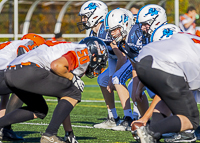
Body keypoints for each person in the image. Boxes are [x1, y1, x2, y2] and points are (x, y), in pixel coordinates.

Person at [0, 37, 108, 143]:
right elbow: (56, 65)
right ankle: (49, 135)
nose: (98, 64)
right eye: (99, 59)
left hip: (10, 72)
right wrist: (72, 78)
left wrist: (68, 132)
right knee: (74, 91)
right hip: (28, 70)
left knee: (40, 109)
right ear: (93, 54)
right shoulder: (82, 51)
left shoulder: (65, 48)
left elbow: (63, 98)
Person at [78, 1, 140, 130]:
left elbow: (121, 57)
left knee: (118, 79)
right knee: (102, 79)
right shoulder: (94, 33)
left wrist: (113, 77)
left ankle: (130, 117)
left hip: (130, 58)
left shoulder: (107, 31)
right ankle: (113, 117)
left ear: (95, 16)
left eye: (85, 16)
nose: (83, 20)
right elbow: (112, 57)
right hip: (120, 59)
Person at [105, 4, 167, 131]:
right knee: (134, 88)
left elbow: (150, 63)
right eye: (110, 30)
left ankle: (160, 120)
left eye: (115, 29)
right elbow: (135, 64)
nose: (112, 34)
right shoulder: (125, 40)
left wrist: (140, 84)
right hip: (146, 68)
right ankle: (148, 122)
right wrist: (137, 85)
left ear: (125, 24)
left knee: (154, 90)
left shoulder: (137, 36)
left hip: (162, 68)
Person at [133, 27, 200, 143]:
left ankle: (157, 132)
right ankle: (150, 131)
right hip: (166, 65)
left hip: (142, 61)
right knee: (191, 120)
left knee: (170, 95)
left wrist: (139, 86)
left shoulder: (189, 40)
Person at [0, 33, 46, 140]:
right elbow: (23, 50)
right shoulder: (26, 44)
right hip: (2, 74)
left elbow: (4, 97)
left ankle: (3, 129)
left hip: (2, 75)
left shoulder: (8, 46)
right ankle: (6, 128)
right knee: (23, 85)